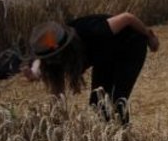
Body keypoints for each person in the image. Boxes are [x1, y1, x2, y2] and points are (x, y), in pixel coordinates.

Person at [24, 13, 159, 124]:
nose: (54, 61)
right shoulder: (51, 55)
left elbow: (127, 18)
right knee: (97, 102)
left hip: (129, 44)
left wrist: (149, 36)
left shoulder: (93, 30)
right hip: (103, 54)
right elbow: (57, 93)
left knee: (116, 101)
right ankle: (111, 139)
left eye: (55, 57)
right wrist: (55, 121)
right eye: (49, 59)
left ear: (67, 49)